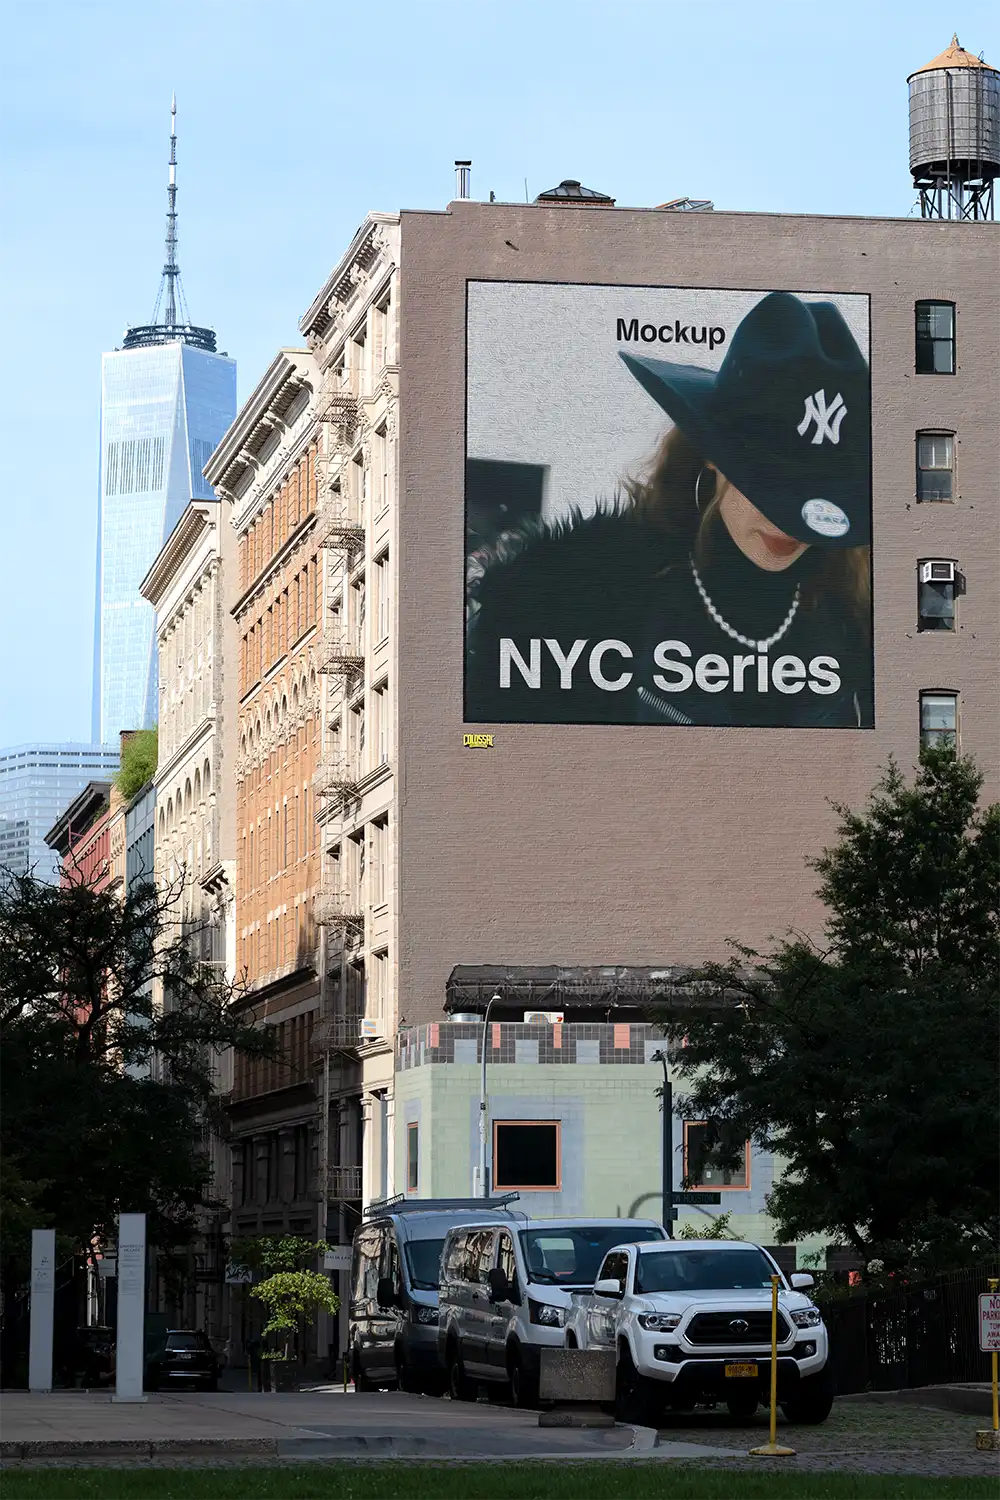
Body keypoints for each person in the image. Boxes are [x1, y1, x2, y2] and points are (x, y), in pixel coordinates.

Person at [465, 291, 872, 728]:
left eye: (818, 488)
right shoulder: (565, 602)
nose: (788, 518)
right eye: (769, 481)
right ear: (712, 454)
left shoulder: (860, 618)